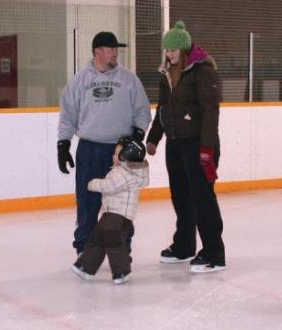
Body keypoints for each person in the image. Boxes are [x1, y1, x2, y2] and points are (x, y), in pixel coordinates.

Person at [57, 31, 151, 255]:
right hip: (89, 149)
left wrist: (136, 137)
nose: (115, 54)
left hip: (120, 151)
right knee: (88, 201)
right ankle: (84, 247)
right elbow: (68, 115)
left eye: (116, 50)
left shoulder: (128, 79)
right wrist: (63, 144)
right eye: (111, 49)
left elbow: (142, 112)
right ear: (98, 51)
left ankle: (120, 248)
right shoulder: (80, 80)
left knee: (120, 204)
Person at [145, 21, 225, 273]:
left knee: (202, 198)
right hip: (176, 143)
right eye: (167, 49)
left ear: (184, 49)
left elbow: (211, 111)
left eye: (173, 50)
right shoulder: (167, 73)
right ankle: (184, 246)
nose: (169, 54)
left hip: (198, 144)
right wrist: (154, 137)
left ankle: (214, 253)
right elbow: (163, 108)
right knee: (181, 198)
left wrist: (207, 148)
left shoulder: (202, 71)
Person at [71, 137, 149, 284]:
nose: (112, 156)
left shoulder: (123, 174)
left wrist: (92, 183)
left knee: (114, 242)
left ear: (124, 157)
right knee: (97, 239)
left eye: (116, 154)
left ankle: (121, 271)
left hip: (118, 216)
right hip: (111, 214)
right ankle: (85, 266)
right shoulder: (124, 171)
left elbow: (109, 186)